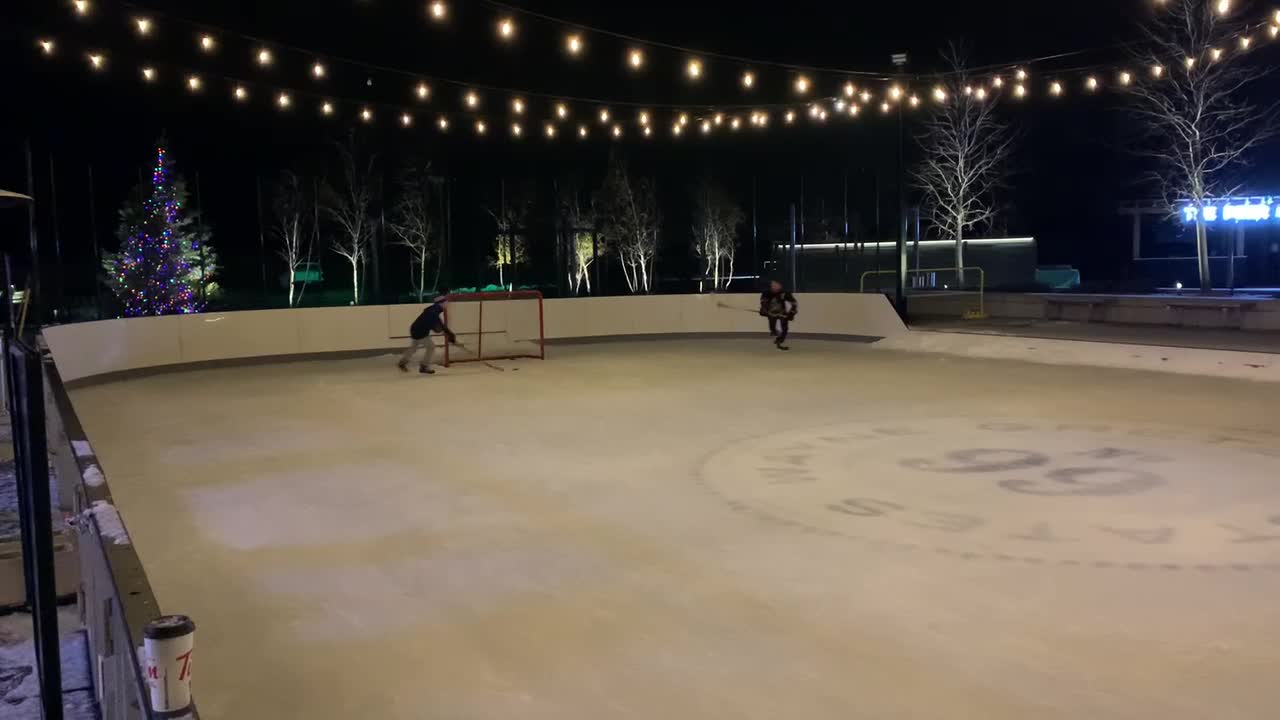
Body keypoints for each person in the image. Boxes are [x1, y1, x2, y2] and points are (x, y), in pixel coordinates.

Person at [399, 290, 458, 374]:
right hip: (420, 332)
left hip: (415, 329)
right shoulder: (434, 311)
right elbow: (436, 326)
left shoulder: (434, 309)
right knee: (431, 347)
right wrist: (446, 333)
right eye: (446, 302)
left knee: (414, 347)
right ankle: (424, 366)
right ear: (441, 303)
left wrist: (449, 334)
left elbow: (439, 325)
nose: (447, 304)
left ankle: (402, 362)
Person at [759, 280, 799, 351]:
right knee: (772, 327)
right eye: (773, 285)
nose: (775, 287)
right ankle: (774, 332)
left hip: (782, 312)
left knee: (784, 327)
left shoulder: (784, 293)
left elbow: (794, 303)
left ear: (780, 286)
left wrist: (792, 313)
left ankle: (780, 339)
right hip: (771, 313)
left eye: (777, 285)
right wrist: (763, 310)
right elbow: (763, 302)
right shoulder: (766, 293)